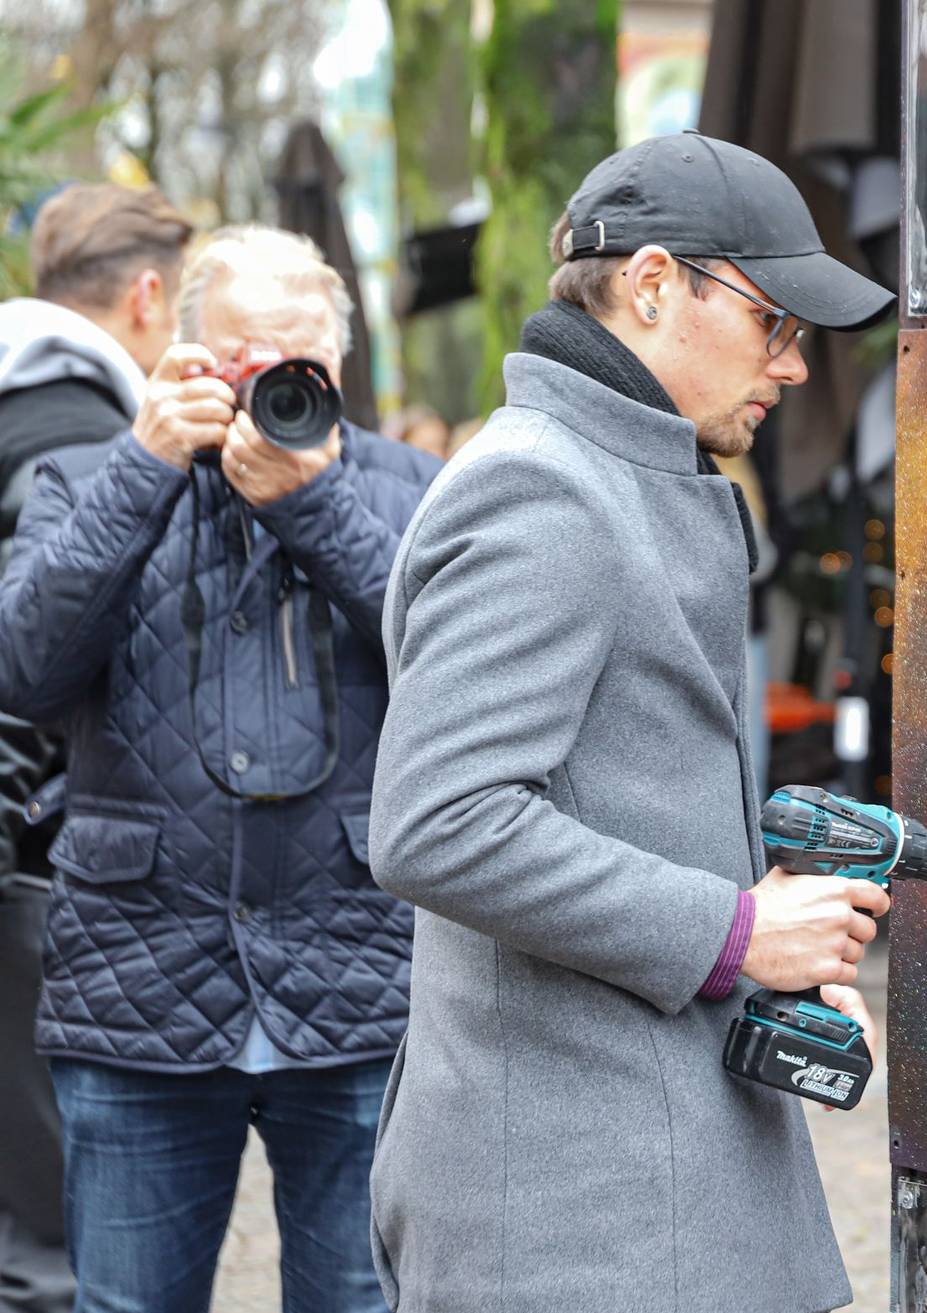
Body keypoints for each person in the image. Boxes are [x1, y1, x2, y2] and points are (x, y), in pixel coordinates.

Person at [368, 132, 894, 1312]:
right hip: (581, 1218)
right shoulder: (543, 488)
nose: (793, 363)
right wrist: (735, 931)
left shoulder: (617, 472)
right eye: (773, 320)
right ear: (653, 284)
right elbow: (437, 822)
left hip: (637, 1185)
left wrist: (760, 958)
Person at [0, 224, 440, 1313]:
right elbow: (24, 673)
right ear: (185, 353)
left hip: (361, 977)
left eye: (301, 362)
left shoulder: (412, 489)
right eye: (245, 359)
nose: (272, 384)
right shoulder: (88, 478)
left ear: (337, 365)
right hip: (137, 978)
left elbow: (458, 674)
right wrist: (142, 469)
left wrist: (314, 505)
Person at [0, 182, 191, 1313]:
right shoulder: (75, 431)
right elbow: (26, 659)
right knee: (49, 1241)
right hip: (25, 868)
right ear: (148, 294)